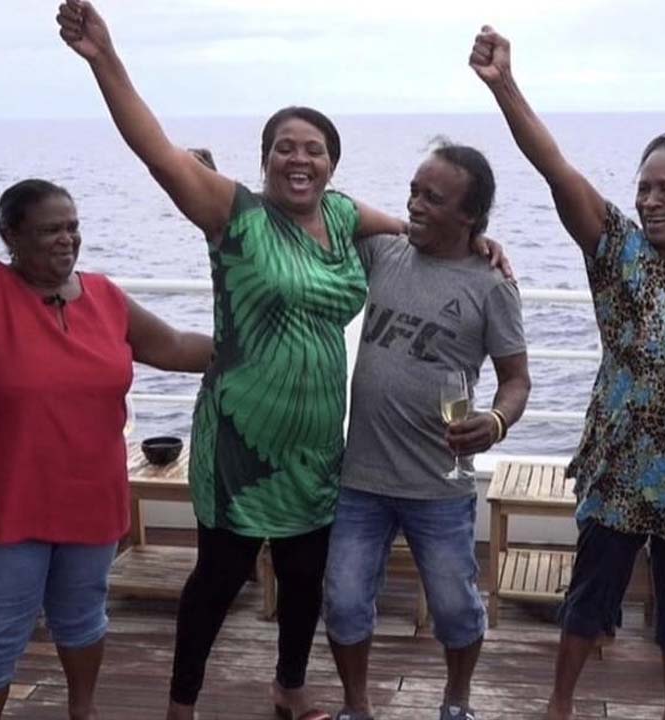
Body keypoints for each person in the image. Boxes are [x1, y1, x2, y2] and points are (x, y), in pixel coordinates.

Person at [56, 4, 510, 719]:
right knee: (220, 576)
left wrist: (482, 242)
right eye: (284, 147)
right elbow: (157, 151)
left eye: (315, 149)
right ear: (264, 158)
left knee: (304, 579)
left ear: (332, 164)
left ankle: (290, 689)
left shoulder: (341, 216)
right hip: (240, 436)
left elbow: (421, 230)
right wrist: (105, 59)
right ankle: (182, 704)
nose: (300, 158)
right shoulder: (232, 213)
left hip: (316, 444)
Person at [0, 136, 213, 720]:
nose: (67, 238)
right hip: (2, 497)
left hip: (89, 494)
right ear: (11, 237)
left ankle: (83, 711)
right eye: (51, 229)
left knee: (83, 617)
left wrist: (248, 350)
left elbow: (173, 345)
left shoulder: (104, 296)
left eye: (73, 226)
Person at [469, 27, 665, 720]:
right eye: (643, 188)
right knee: (589, 601)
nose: (650, 201)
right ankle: (560, 706)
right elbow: (557, 169)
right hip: (620, 472)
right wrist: (505, 86)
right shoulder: (620, 257)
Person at [323, 144, 531, 720]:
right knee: (342, 602)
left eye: (431, 198)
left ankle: (456, 701)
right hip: (360, 478)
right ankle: (357, 706)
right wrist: (403, 220)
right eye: (412, 190)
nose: (414, 203)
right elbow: (330, 204)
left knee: (456, 609)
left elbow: (516, 380)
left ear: (470, 216)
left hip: (440, 486)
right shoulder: (384, 252)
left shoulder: (492, 285)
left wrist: (495, 421)